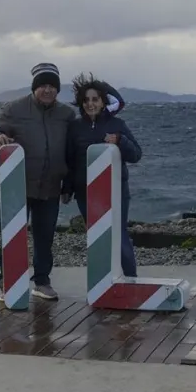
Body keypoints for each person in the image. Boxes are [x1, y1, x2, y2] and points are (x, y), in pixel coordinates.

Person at [0, 62, 75, 300]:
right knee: (12, 235)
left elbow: (72, 151)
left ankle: (42, 282)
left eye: (52, 86)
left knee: (45, 237)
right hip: (18, 186)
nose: (48, 90)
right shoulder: (13, 108)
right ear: (35, 87)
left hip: (51, 187)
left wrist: (69, 183)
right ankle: (7, 281)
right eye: (43, 85)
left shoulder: (67, 114)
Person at [63, 73, 142, 277]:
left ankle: (131, 279)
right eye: (86, 100)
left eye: (95, 99)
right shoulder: (75, 128)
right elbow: (70, 160)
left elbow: (136, 155)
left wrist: (120, 140)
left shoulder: (118, 125)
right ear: (81, 103)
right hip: (85, 192)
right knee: (97, 236)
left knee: (118, 233)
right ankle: (103, 282)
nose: (90, 104)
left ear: (103, 102)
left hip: (116, 191)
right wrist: (67, 189)